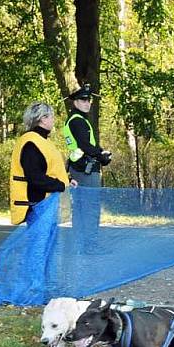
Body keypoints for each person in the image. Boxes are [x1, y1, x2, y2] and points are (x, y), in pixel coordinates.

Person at [9, 102, 74, 225]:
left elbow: (51, 168)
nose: (53, 120)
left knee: (46, 243)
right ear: (43, 119)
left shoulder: (43, 141)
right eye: (51, 116)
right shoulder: (31, 143)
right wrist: (59, 185)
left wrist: (67, 180)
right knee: (39, 243)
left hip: (46, 205)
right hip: (38, 206)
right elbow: (35, 176)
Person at [62, 84, 110, 248]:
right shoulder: (78, 121)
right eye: (83, 99)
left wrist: (101, 153)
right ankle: (90, 244)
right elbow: (85, 145)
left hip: (79, 167)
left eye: (88, 100)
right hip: (86, 169)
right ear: (75, 102)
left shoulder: (77, 120)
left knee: (81, 208)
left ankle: (79, 244)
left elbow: (84, 145)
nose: (87, 103)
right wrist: (101, 156)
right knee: (90, 208)